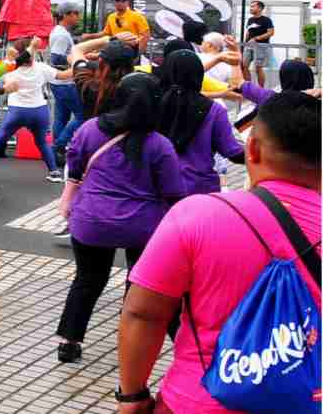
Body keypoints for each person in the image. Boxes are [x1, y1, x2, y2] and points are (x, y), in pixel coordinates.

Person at [113, 91, 319, 413]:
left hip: (199, 401)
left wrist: (133, 396)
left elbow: (143, 313)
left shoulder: (196, 215)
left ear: (252, 149)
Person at [52, 73, 183, 364]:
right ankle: (129, 339)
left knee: (87, 280)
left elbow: (74, 164)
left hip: (91, 222)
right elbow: (173, 190)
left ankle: (69, 342)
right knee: (138, 284)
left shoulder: (89, 129)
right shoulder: (159, 144)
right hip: (143, 227)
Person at [156, 50, 240, 197]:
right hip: (200, 191)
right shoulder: (214, 110)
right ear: (199, 75)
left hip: (159, 189)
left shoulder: (152, 104)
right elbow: (232, 152)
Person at [0, 40, 61, 181]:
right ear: (32, 53)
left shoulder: (10, 70)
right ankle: (54, 172)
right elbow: (64, 75)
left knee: (1, 137)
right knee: (42, 142)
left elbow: (0, 80)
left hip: (17, 110)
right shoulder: (42, 68)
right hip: (39, 110)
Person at [46, 4, 85, 159]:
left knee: (61, 117)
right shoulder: (62, 35)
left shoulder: (60, 32)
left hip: (60, 82)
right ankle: (58, 146)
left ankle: (57, 151)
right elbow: (56, 57)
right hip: (65, 82)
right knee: (82, 116)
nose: (78, 17)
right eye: (76, 14)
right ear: (67, 15)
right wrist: (75, 59)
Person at [243, 0, 275, 86]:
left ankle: (261, 89)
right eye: (251, 6)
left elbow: (271, 33)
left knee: (258, 68)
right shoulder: (250, 19)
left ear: (260, 8)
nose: (251, 8)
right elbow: (248, 32)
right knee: (244, 66)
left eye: (253, 6)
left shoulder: (266, 20)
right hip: (248, 45)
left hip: (261, 46)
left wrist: (256, 38)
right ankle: (249, 88)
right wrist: (245, 43)